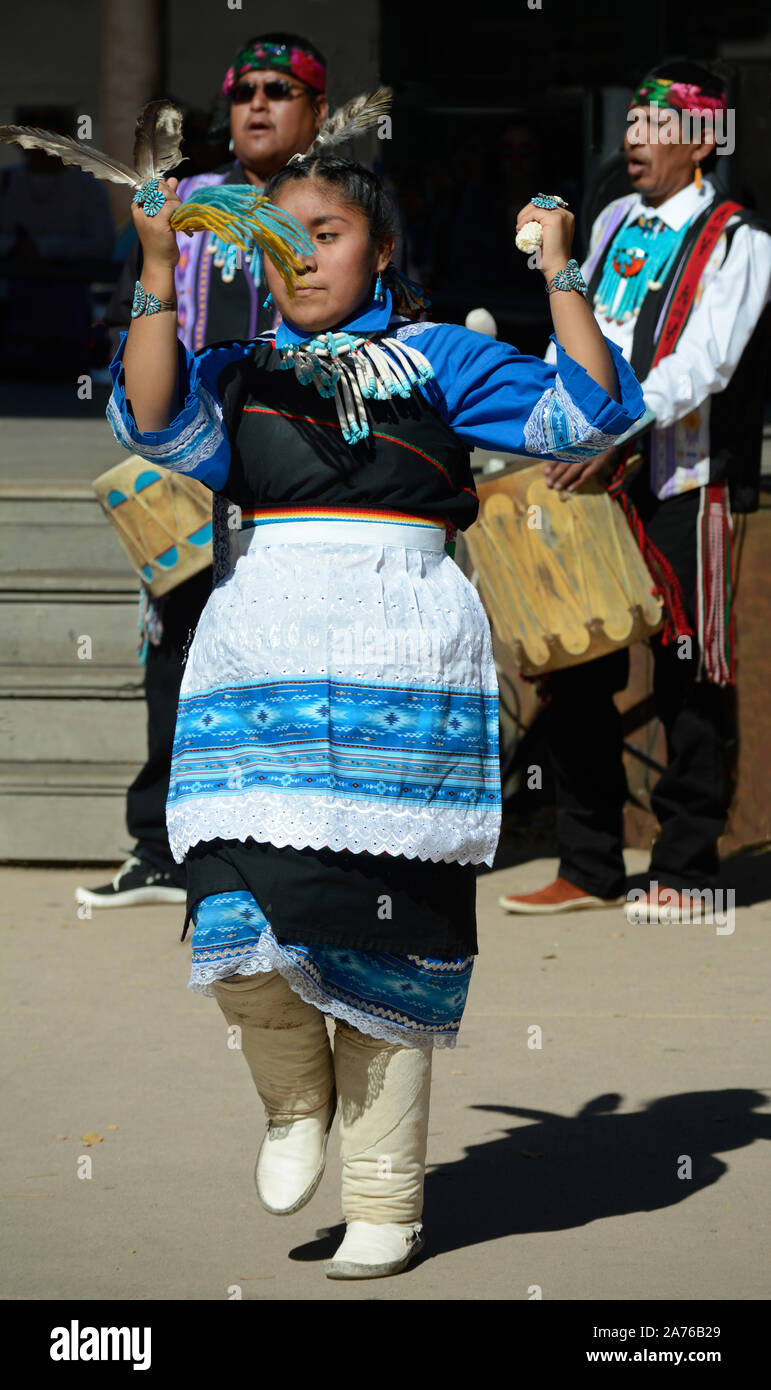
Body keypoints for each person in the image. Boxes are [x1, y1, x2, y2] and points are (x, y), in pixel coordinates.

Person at [105, 143, 644, 1277]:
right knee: (234, 917)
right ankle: (295, 1096)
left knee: (391, 946)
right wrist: (157, 261)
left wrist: (563, 273)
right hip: (259, 670)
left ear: (383, 250)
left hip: (402, 671)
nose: (304, 256)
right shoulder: (239, 364)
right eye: (283, 237)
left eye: (332, 233)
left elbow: (590, 416)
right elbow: (152, 423)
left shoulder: (441, 355)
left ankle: (388, 1204)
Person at [498, 60, 771, 922]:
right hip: (594, 469)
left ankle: (687, 870)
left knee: (691, 670)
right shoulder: (612, 219)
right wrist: (560, 417)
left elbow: (704, 366)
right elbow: (576, 335)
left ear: (702, 141)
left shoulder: (739, 239)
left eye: (655, 127)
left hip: (683, 478)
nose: (633, 140)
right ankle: (588, 863)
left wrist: (610, 429)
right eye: (630, 125)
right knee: (576, 663)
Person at [76, 32, 329, 908]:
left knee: (289, 655)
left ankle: (281, 842)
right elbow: (129, 318)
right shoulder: (181, 202)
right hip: (193, 462)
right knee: (176, 651)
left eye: (280, 89)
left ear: (317, 111)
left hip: (302, 470)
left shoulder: (336, 204)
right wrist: (151, 435)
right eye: (244, 91)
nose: (257, 104)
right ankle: (159, 845)